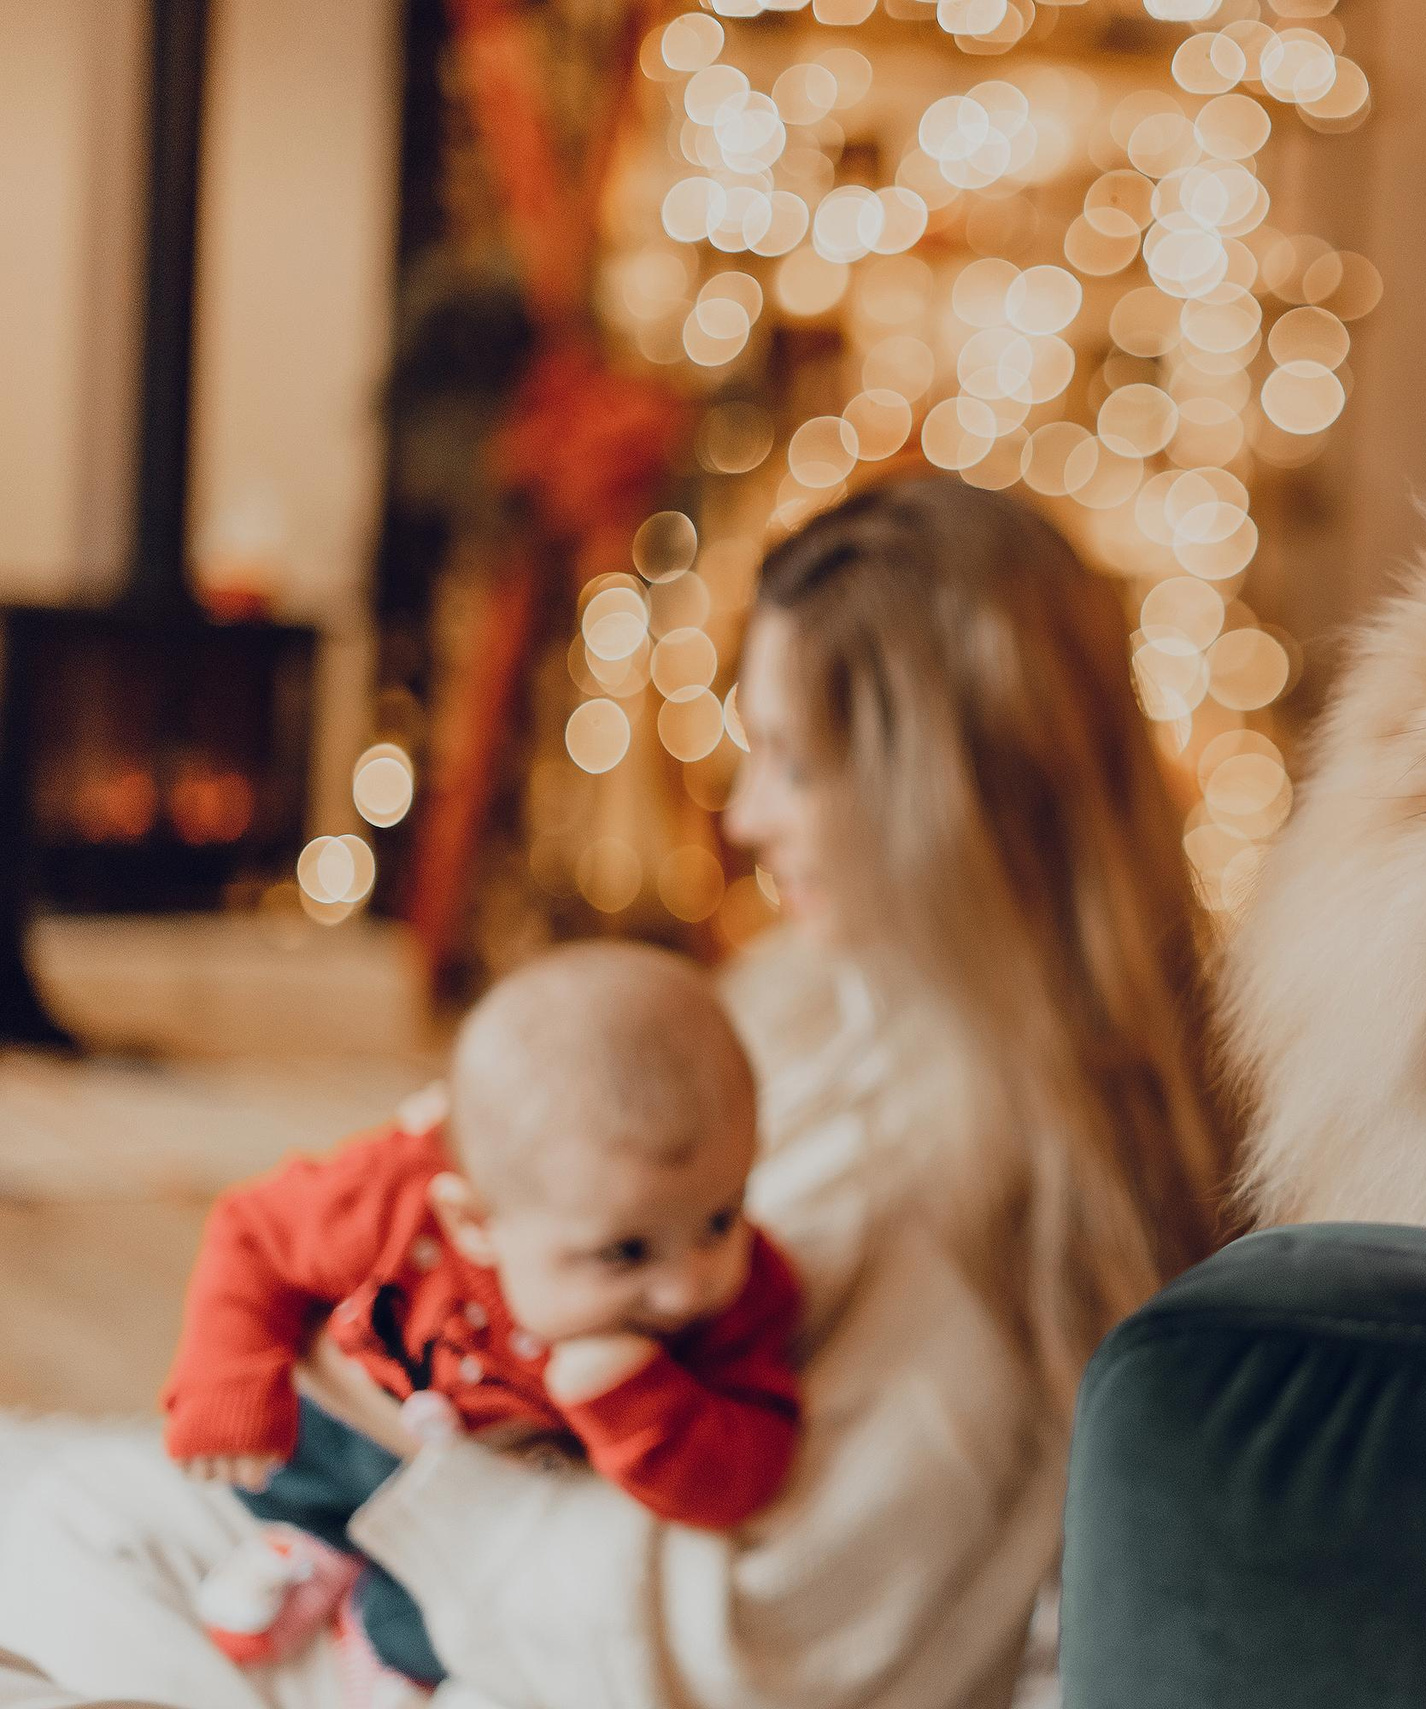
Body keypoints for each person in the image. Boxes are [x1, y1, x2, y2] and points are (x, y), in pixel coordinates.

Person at [0, 475, 1233, 1708]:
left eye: (794, 767)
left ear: (940, 794)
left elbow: (749, 1642)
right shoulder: (841, 1029)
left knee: (56, 1536)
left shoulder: (973, 1177)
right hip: (449, 1545)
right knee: (50, 1504)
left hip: (495, 1617)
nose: (746, 818)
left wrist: (397, 1440)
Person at [164, 944, 799, 1695]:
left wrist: (643, 1404)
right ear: (473, 1223)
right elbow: (252, 1229)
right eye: (625, 1252)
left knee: (459, 1620)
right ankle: (312, 1537)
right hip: (352, 1431)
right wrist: (229, 1378)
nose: (687, 1286)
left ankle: (374, 1621)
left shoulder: (746, 1290)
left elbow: (750, 1467)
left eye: (722, 1217)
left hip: (489, 1502)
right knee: (278, 1456)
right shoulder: (392, 1199)